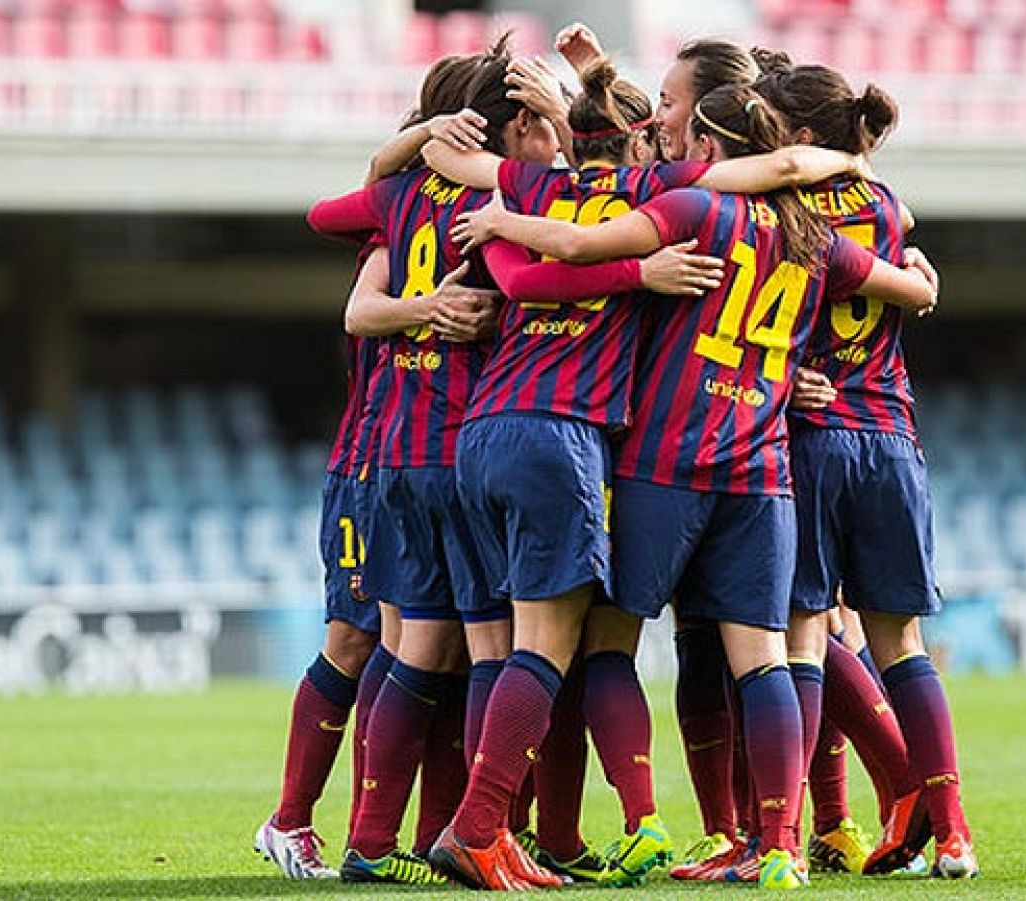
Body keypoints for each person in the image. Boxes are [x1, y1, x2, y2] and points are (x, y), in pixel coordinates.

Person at [452, 84, 936, 890]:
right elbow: (904, 285)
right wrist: (920, 276)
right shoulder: (816, 238)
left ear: (709, 151)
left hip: (664, 463)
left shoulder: (690, 210)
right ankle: (778, 847)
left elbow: (575, 249)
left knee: (600, 641)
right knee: (765, 658)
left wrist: (501, 221)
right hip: (762, 468)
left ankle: (629, 822)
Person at [251, 52, 493, 883]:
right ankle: (295, 823)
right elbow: (357, 298)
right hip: (375, 456)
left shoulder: (473, 202)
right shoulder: (408, 206)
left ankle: (416, 831)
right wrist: (430, 310)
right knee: (363, 638)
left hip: (441, 451)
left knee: (441, 643)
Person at [757, 61, 978, 879]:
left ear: (802, 139)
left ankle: (785, 842)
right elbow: (907, 269)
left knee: (802, 635)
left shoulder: (784, 213)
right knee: (900, 641)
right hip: (889, 434)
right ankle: (953, 833)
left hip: (810, 437)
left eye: (771, 124)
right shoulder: (886, 205)